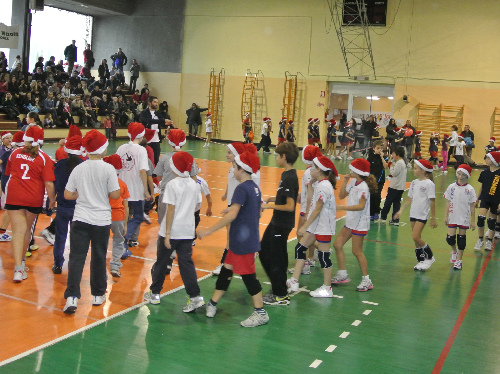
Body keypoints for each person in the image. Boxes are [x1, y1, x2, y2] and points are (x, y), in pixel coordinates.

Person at [198, 151, 268, 327]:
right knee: (227, 270)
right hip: (244, 239)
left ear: (241, 170)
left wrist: (208, 231)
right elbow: (256, 211)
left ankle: (260, 312)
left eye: (234, 167)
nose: (233, 170)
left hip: (242, 242)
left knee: (248, 276)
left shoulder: (241, 188)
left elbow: (233, 216)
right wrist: (232, 210)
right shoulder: (254, 187)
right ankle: (212, 303)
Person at [63, 130, 121, 313]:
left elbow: (68, 194)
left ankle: (72, 297)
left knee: (76, 258)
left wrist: (84, 192)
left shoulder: (79, 168)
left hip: (81, 218)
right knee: (98, 256)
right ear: (103, 150)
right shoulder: (109, 169)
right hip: (101, 220)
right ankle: (97, 294)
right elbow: (114, 194)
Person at [144, 151, 205, 313]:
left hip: (170, 232)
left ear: (174, 168)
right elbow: (197, 206)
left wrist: (168, 233)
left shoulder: (172, 185)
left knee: (161, 262)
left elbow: (170, 209)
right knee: (186, 264)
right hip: (187, 231)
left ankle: (155, 293)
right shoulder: (195, 184)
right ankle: (195, 297)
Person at [4, 126, 55, 282]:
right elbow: (49, 183)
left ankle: (18, 269)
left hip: (14, 195)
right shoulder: (44, 158)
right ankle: (22, 264)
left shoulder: (14, 153)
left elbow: (7, 174)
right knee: (27, 230)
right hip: (33, 198)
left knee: (18, 231)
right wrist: (52, 200)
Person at [287, 155, 338, 296]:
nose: (311, 169)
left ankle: (327, 288)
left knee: (323, 256)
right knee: (300, 248)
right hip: (316, 224)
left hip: (323, 226)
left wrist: (304, 226)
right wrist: (310, 185)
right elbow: (310, 200)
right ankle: (294, 281)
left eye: (314, 167)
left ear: (320, 170)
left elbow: (317, 208)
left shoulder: (324, 186)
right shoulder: (318, 183)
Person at [259, 142, 299, 305]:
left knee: (277, 258)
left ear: (284, 157)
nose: (276, 158)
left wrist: (269, 206)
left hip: (282, 223)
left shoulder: (290, 177)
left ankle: (280, 294)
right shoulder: (286, 174)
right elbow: (285, 197)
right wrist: (272, 198)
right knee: (264, 251)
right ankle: (279, 287)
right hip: (277, 221)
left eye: (277, 155)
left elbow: (290, 206)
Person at [331, 158, 375, 291]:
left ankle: (367, 280)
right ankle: (343, 274)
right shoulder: (354, 182)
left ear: (357, 171)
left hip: (359, 223)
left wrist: (342, 208)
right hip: (350, 222)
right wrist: (345, 182)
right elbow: (342, 195)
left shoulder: (363, 187)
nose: (350, 171)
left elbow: (361, 206)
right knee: (337, 244)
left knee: (356, 251)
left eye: (352, 169)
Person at [116, 122, 152, 259]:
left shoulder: (121, 148)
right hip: (136, 190)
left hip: (122, 189)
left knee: (124, 217)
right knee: (137, 216)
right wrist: (146, 191)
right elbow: (143, 170)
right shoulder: (141, 150)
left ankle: (121, 243)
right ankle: (122, 242)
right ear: (142, 136)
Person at [394, 159, 437, 270]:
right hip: (413, 213)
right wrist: (401, 210)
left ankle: (430, 257)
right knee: (416, 239)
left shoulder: (429, 184)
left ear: (423, 171)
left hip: (422, 214)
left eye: (415, 168)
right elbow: (409, 199)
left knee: (415, 236)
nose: (413, 170)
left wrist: (433, 218)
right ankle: (421, 260)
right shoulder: (414, 183)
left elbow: (432, 201)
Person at [51, 135, 83, 274]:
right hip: (79, 206)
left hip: (63, 205)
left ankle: (58, 263)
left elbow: (55, 184)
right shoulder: (83, 165)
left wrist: (51, 200)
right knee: (78, 237)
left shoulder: (60, 164)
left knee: (60, 236)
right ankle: (75, 264)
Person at [444, 164, 476, 270]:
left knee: (461, 240)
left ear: (467, 176)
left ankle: (459, 260)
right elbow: (448, 202)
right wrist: (446, 216)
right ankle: (454, 251)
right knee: (450, 238)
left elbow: (472, 206)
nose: (460, 177)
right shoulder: (451, 187)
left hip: (464, 217)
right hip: (453, 215)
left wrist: (473, 220)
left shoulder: (470, 189)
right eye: (459, 174)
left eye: (463, 175)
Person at [103, 154, 130, 278]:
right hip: (118, 216)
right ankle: (115, 265)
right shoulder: (122, 184)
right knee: (118, 241)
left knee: (101, 241)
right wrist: (125, 223)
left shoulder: (102, 183)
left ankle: (99, 265)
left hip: (103, 216)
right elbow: (126, 205)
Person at [474, 151, 500, 251]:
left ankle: (489, 241)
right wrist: (477, 199)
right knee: (480, 218)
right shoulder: (484, 172)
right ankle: (480, 240)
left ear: (494, 161)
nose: (486, 160)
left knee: (491, 221)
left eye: (488, 158)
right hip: (484, 198)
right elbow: (481, 186)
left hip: (495, 199)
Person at [380, 146, 407, 225]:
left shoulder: (399, 162)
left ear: (397, 154)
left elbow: (394, 173)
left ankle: (383, 217)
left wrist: (391, 167)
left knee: (388, 201)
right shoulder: (402, 162)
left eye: (393, 153)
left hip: (395, 186)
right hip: (401, 187)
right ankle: (395, 220)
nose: (392, 154)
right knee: (396, 203)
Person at [140, 96, 169, 165]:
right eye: (155, 102)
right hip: (146, 138)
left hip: (156, 138)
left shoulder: (158, 113)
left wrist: (167, 123)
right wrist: (163, 120)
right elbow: (148, 121)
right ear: (149, 103)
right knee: (145, 157)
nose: (156, 104)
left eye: (157, 102)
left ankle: (155, 174)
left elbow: (161, 122)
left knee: (156, 157)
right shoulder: (143, 113)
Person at [367, 140, 387, 220]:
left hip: (380, 180)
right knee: (371, 196)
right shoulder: (370, 157)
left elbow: (386, 166)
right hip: (372, 181)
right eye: (378, 148)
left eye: (381, 148)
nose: (379, 150)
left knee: (377, 196)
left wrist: (382, 157)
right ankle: (370, 212)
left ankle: (376, 212)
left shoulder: (383, 157)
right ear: (374, 148)